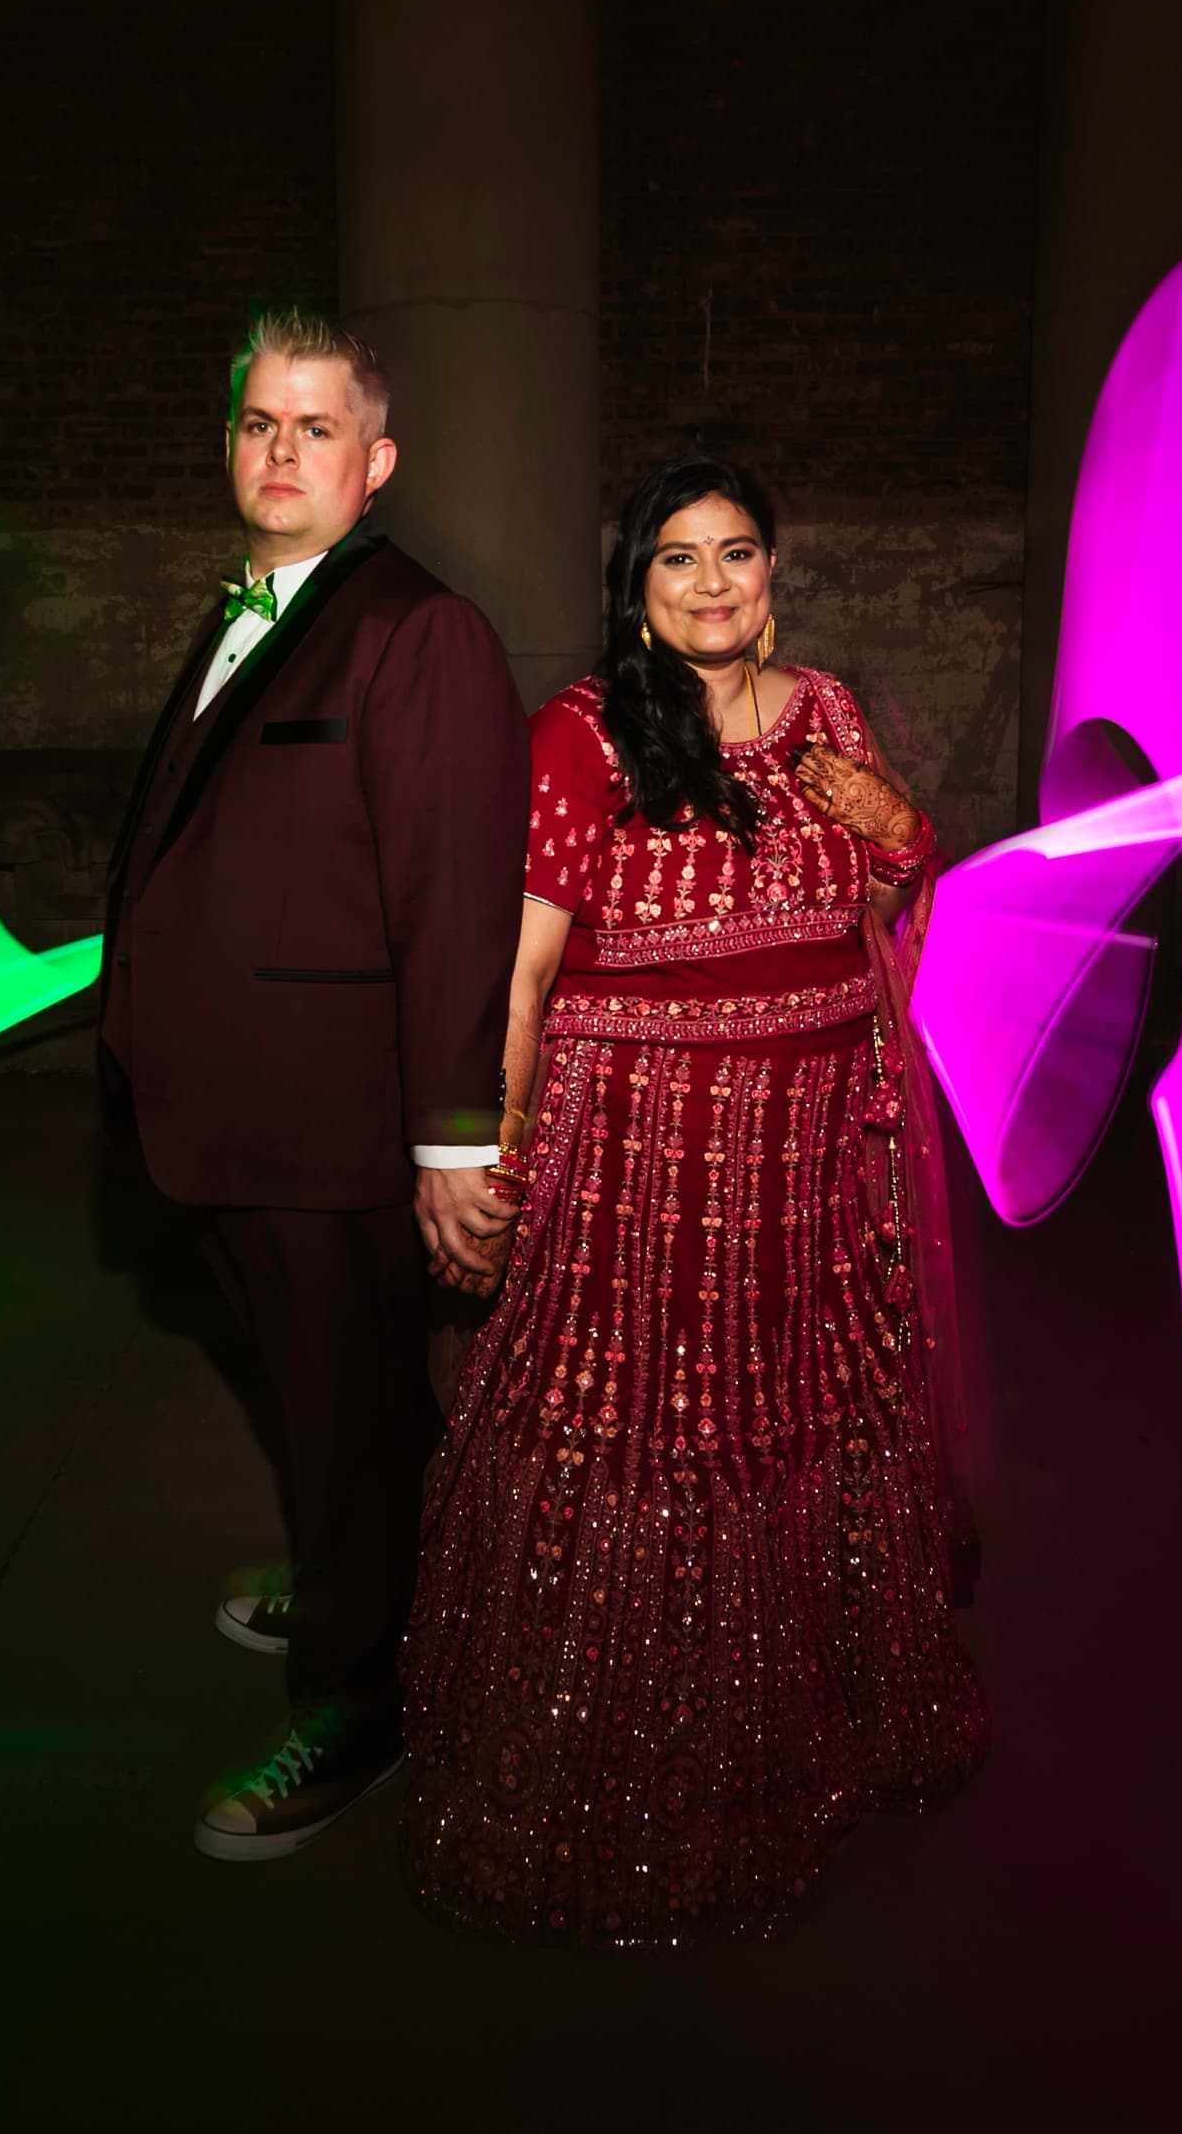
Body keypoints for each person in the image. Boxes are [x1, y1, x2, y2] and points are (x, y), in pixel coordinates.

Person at [398, 456, 987, 1944]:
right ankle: (597, 1786)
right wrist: (477, 1152)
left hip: (798, 1160)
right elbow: (517, 974)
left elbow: (896, 900)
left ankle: (791, 1760)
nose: (713, 583)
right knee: (631, 1437)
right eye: (678, 560)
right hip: (630, 1164)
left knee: (791, 1425)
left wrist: (903, 824)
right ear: (636, 588)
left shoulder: (831, 715)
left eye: (737, 554)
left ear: (775, 570)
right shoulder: (582, 736)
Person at [98, 308, 531, 1862]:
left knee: (350, 1414)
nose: (282, 454)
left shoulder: (420, 632)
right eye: (260, 425)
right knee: (312, 1398)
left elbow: (455, 904)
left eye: (317, 429)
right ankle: (356, 1567)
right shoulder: (252, 602)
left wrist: (451, 1147)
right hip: (218, 1118)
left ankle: (356, 1707)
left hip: (333, 1129)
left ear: (378, 461)